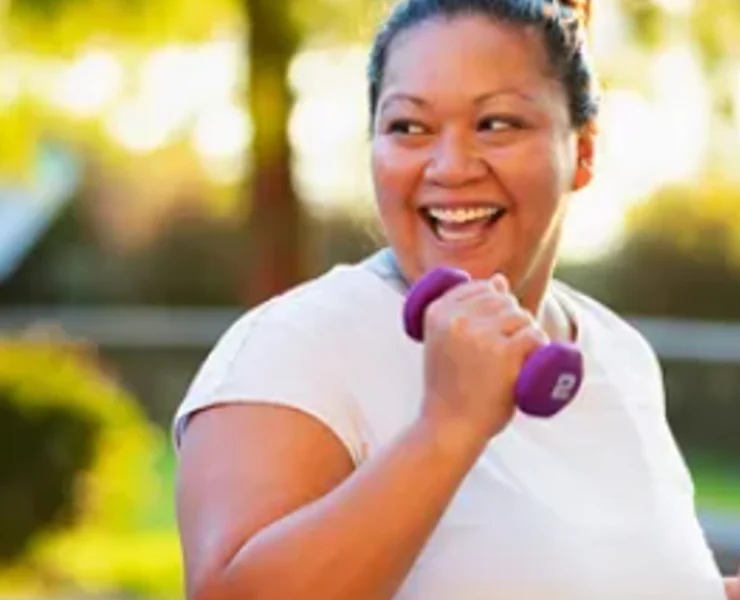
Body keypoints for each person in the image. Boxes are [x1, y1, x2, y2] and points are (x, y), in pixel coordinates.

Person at [173, 0, 740, 598]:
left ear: (585, 150)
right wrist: (448, 427)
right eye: (408, 127)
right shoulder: (298, 345)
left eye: (497, 123)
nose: (450, 167)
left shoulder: (617, 352)